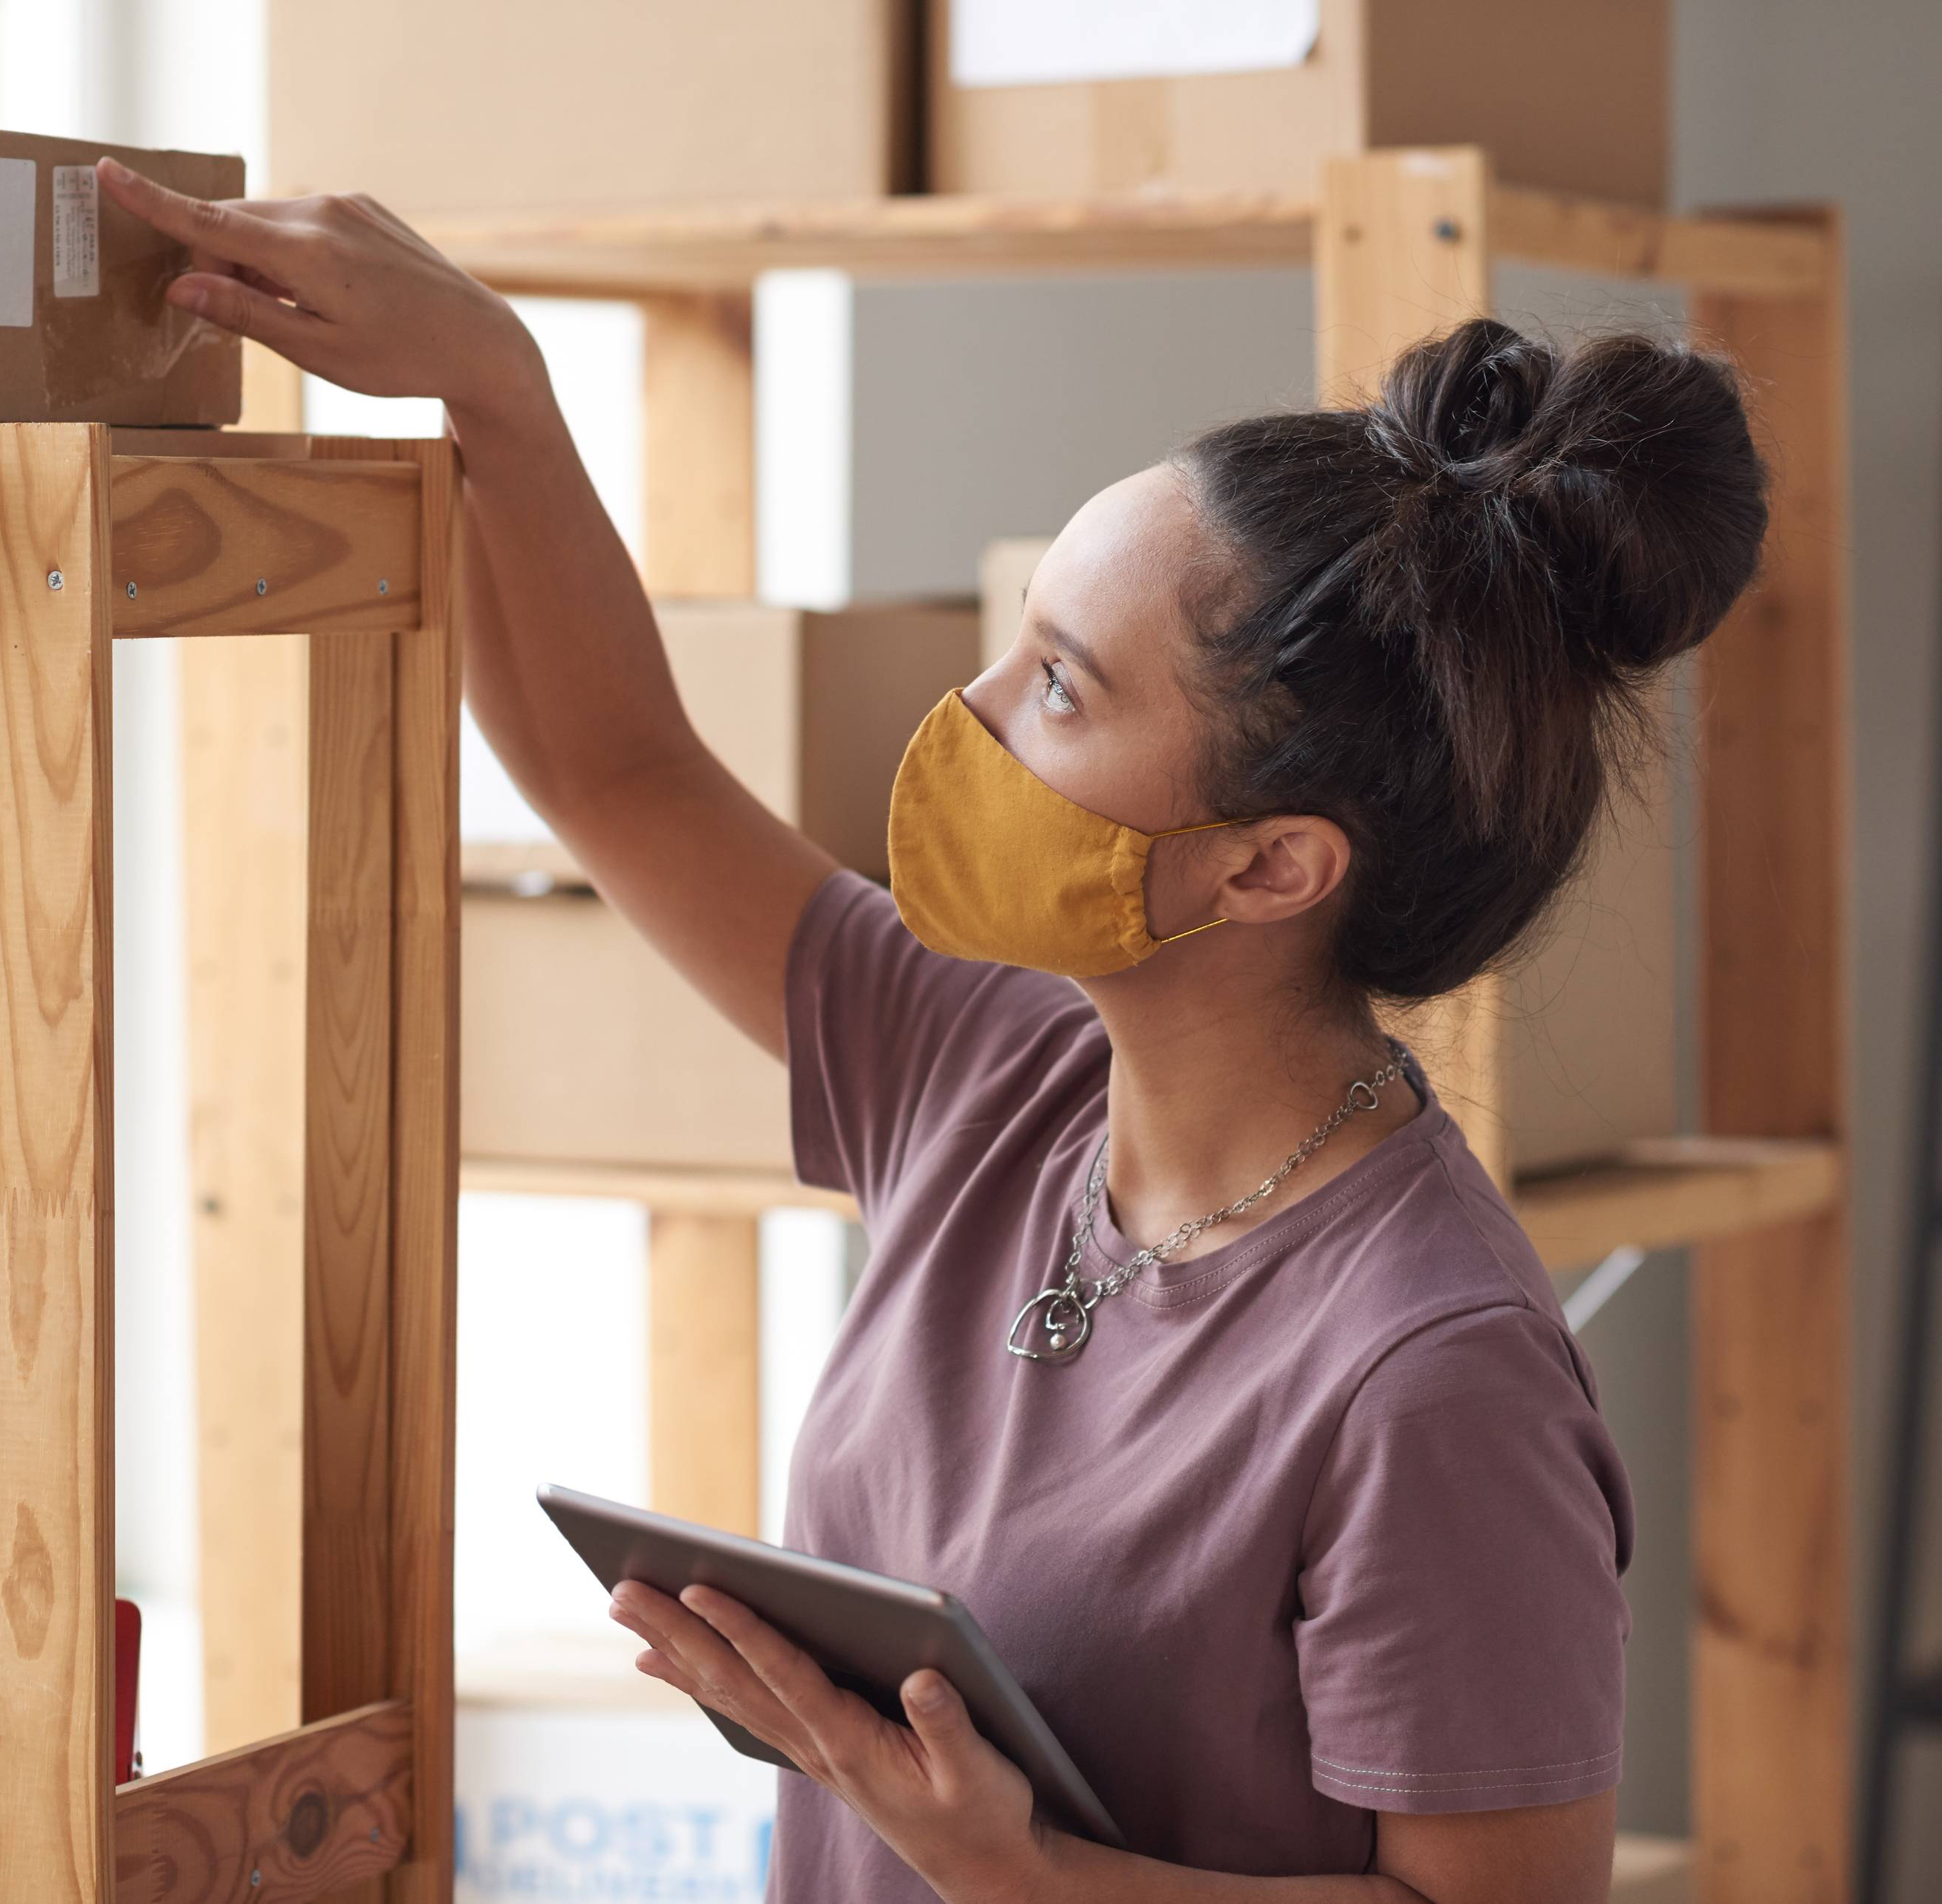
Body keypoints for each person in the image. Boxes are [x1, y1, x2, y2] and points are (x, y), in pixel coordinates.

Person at [94, 160, 1770, 1904]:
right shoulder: (995, 1071)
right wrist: (495, 382)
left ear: (1270, 864)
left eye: (1059, 686)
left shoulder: (1434, 1371)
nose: (968, 718)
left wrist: (1022, 1874)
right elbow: (620, 774)